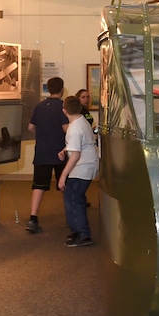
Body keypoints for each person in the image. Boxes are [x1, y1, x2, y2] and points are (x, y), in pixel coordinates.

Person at [25, 76, 68, 233]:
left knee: (39, 185)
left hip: (42, 151)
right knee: (65, 185)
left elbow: (31, 127)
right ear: (62, 89)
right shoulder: (63, 107)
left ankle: (33, 218)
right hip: (60, 153)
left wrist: (41, 135)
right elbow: (66, 129)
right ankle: (71, 217)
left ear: (48, 89)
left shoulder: (40, 106)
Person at [58, 95, 99, 247]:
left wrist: (63, 176)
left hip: (83, 166)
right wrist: (65, 149)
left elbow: (76, 154)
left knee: (74, 199)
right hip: (87, 164)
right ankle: (77, 230)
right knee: (75, 198)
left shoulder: (74, 128)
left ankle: (83, 234)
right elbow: (81, 143)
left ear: (64, 111)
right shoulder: (82, 121)